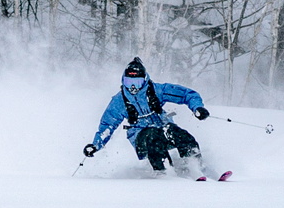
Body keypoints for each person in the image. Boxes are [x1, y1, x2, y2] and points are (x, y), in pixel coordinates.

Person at [83, 57, 211, 176]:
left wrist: (197, 108)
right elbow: (107, 126)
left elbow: (187, 94)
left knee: (180, 134)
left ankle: (196, 169)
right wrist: (95, 145)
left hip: (163, 127)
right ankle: (164, 173)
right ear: (123, 81)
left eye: (137, 82)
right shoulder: (119, 101)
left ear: (144, 80)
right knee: (152, 135)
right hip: (141, 137)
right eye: (129, 82)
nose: (133, 87)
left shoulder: (157, 90)